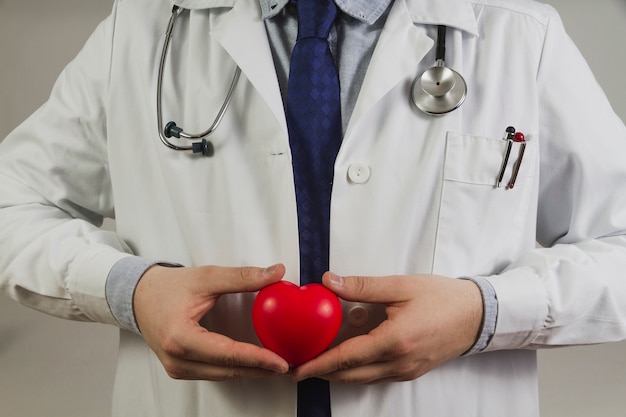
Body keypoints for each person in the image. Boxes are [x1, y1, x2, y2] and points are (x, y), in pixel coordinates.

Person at [1, 0, 626, 415]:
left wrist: (485, 313)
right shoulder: (141, 29)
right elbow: (12, 204)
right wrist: (130, 292)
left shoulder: (520, 32)